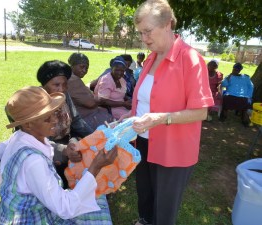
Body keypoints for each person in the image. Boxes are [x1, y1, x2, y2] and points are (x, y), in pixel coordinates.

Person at [121, 1, 214, 225]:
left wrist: (162, 118)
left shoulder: (190, 59)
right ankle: (145, 221)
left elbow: (200, 111)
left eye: (148, 32)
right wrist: (132, 115)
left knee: (165, 205)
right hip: (143, 141)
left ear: (168, 25)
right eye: (140, 33)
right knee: (145, 193)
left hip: (174, 149)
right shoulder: (151, 58)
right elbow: (146, 99)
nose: (144, 39)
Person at [0, 86, 117, 224]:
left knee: (95, 195)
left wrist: (65, 149)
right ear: (28, 125)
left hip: (36, 209)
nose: (55, 120)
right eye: (47, 118)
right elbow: (64, 209)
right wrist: (95, 166)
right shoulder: (33, 161)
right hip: (32, 219)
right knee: (94, 198)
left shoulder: (19, 137)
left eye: (54, 113)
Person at [67, 53, 114, 130]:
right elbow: (91, 103)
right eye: (82, 67)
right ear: (72, 65)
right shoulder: (73, 79)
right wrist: (100, 100)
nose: (84, 70)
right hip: (83, 119)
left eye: (86, 68)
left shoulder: (72, 78)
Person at [94, 56, 132, 120]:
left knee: (137, 113)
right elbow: (103, 101)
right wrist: (124, 104)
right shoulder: (106, 80)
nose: (119, 73)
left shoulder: (122, 80)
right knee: (130, 119)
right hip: (109, 109)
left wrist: (130, 100)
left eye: (122, 71)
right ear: (111, 68)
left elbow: (122, 94)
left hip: (121, 106)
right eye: (117, 70)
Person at [219, 62, 254, 127]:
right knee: (226, 100)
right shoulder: (230, 77)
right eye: (235, 69)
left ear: (240, 70)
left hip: (241, 98)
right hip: (231, 96)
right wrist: (229, 77)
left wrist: (249, 96)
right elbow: (224, 84)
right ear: (233, 69)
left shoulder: (246, 77)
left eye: (237, 69)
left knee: (244, 106)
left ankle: (244, 119)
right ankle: (224, 116)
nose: (235, 71)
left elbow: (251, 86)